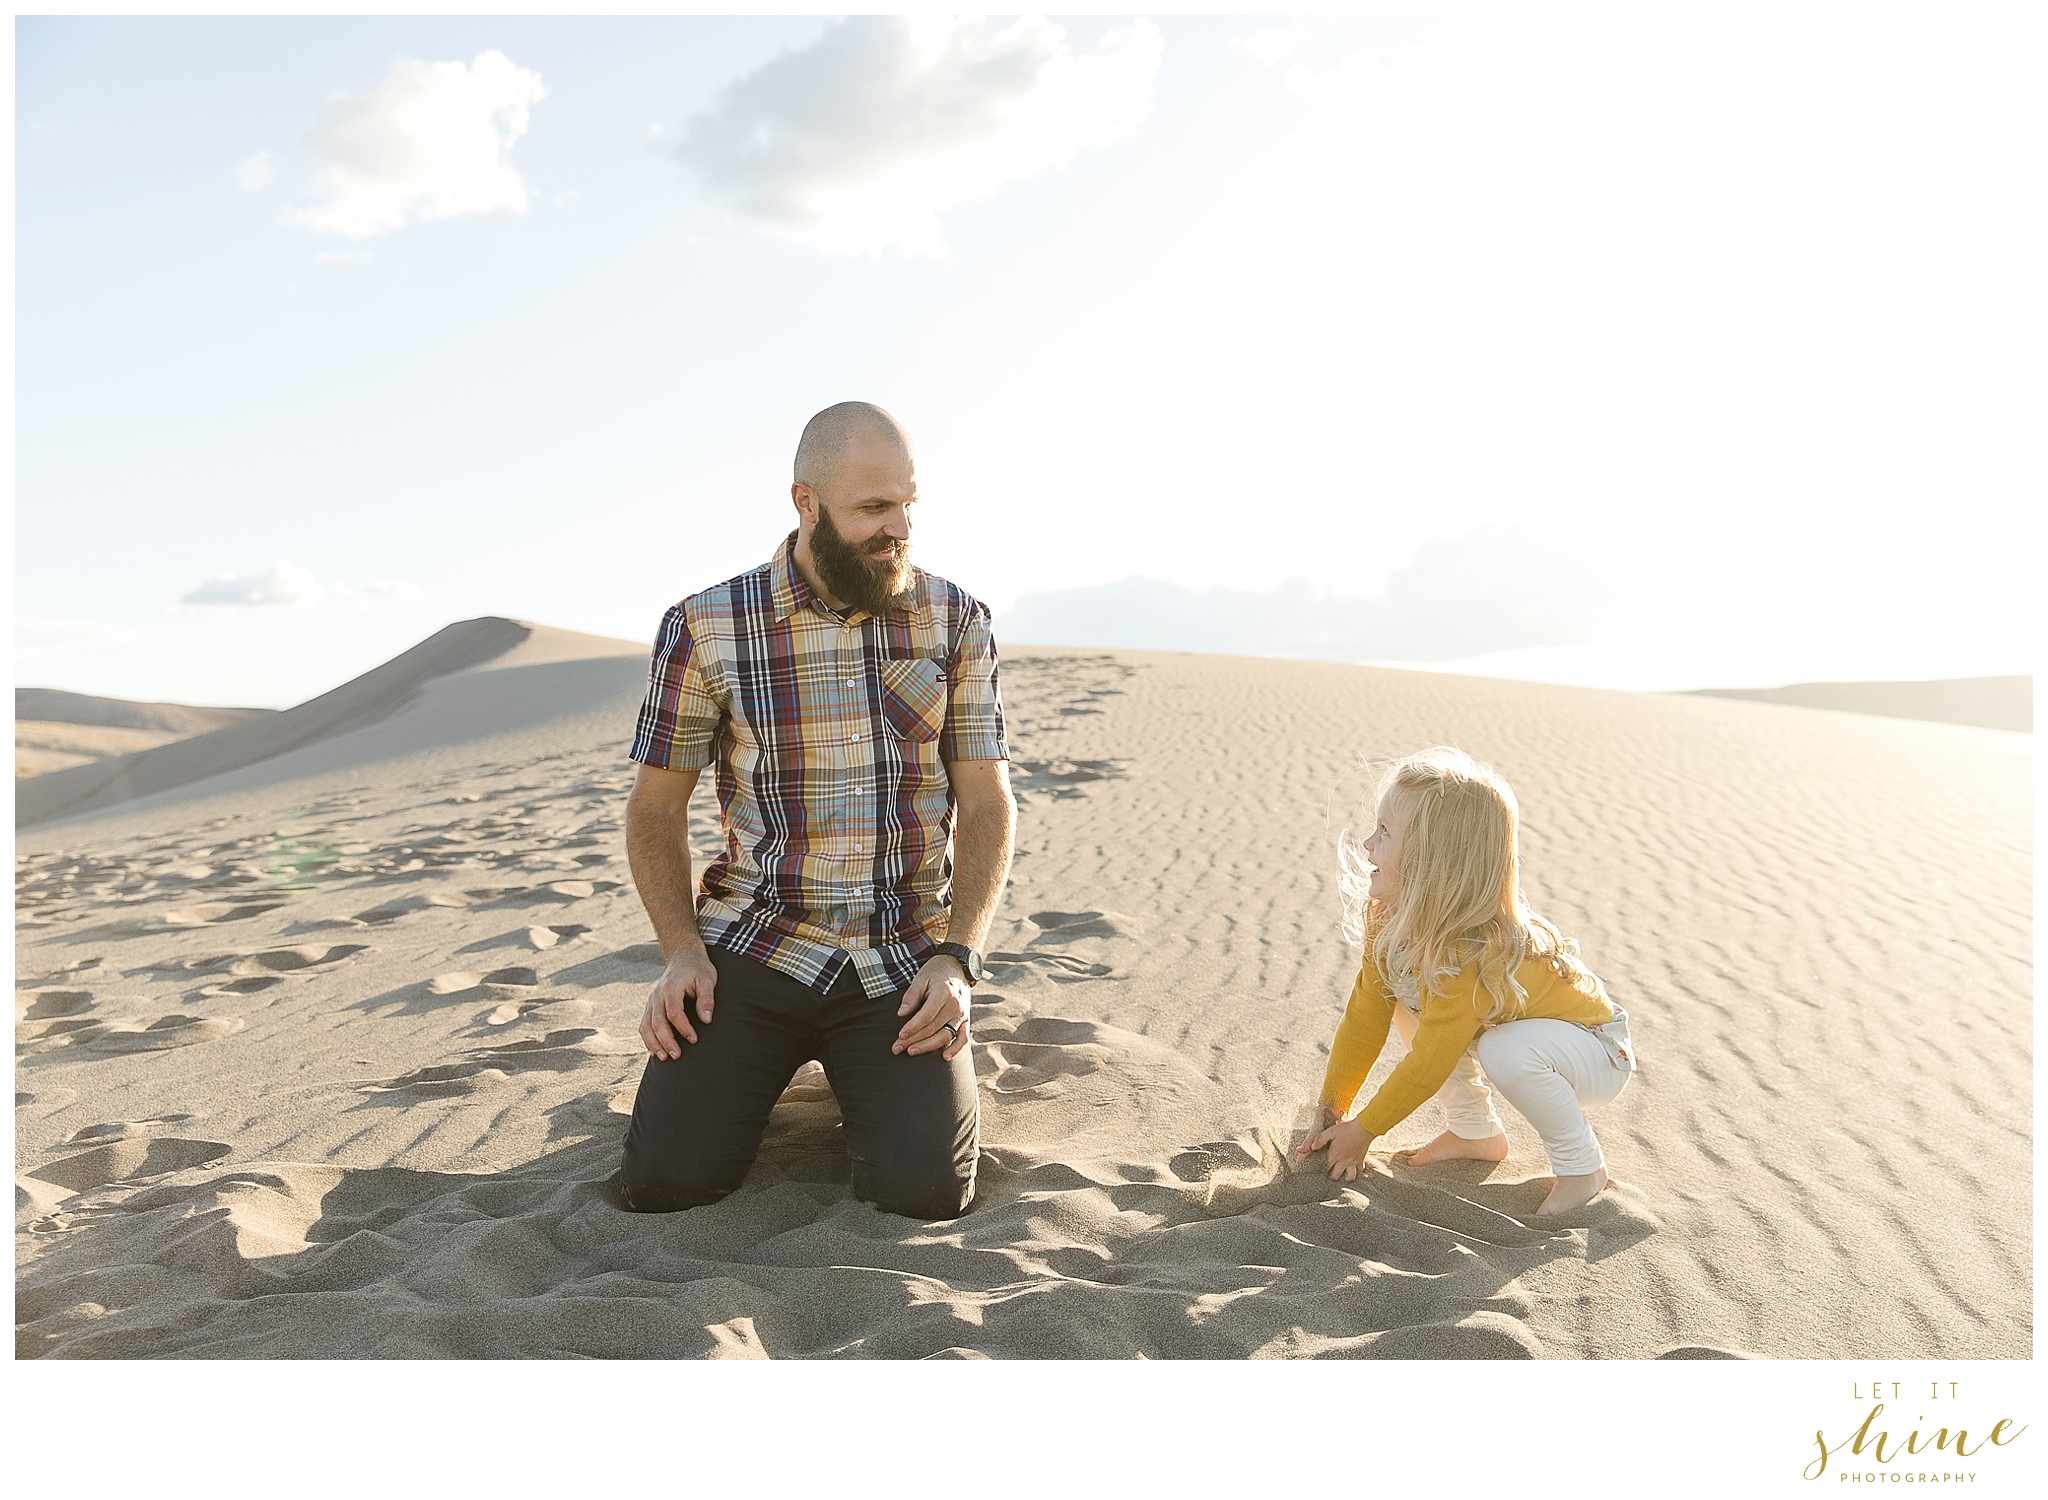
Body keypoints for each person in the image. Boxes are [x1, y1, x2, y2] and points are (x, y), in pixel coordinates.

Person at [617, 400, 1015, 1219]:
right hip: (756, 943)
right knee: (668, 1182)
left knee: (926, 1193)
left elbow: (986, 801)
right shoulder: (706, 626)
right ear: (805, 502)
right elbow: (655, 809)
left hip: (899, 955)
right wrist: (681, 954)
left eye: (908, 503)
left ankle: (872, 1079)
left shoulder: (955, 619)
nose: (899, 525)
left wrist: (957, 959)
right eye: (874, 507)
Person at [1296, 746, 1638, 1216]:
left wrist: (1365, 1131)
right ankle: (1475, 1131)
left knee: (1503, 1048)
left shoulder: (1470, 951)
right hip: (1525, 1035)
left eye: (1385, 833)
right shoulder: (1390, 924)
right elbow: (1364, 1018)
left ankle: (1582, 1169)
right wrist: (1333, 1109)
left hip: (1595, 1051)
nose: (1367, 845)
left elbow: (1433, 1058)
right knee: (1409, 1004)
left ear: (1431, 862)